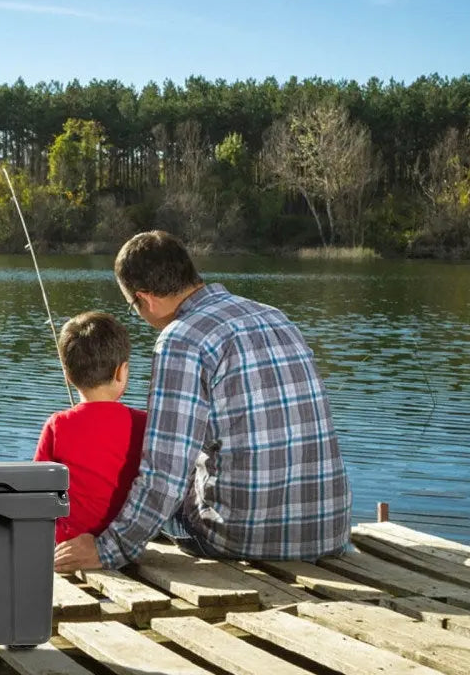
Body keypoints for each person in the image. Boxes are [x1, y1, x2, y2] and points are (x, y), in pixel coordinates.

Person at [54, 230, 352, 571]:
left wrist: (108, 549)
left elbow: (164, 474)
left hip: (242, 538)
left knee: (129, 497)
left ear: (145, 299)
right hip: (329, 530)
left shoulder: (181, 340)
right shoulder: (275, 316)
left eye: (133, 307)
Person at [34, 311, 147, 543]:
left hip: (67, 540)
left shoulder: (57, 425)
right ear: (121, 371)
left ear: (67, 375)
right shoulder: (144, 423)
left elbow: (37, 489)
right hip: (124, 539)